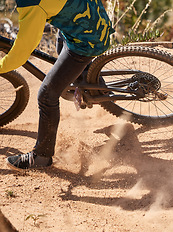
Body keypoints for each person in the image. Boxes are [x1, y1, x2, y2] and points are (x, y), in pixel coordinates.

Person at [1, 0, 114, 171]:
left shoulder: (31, 3)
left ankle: (41, 157)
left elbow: (21, 52)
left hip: (87, 40)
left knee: (46, 95)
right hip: (94, 19)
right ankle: (89, 81)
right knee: (61, 47)